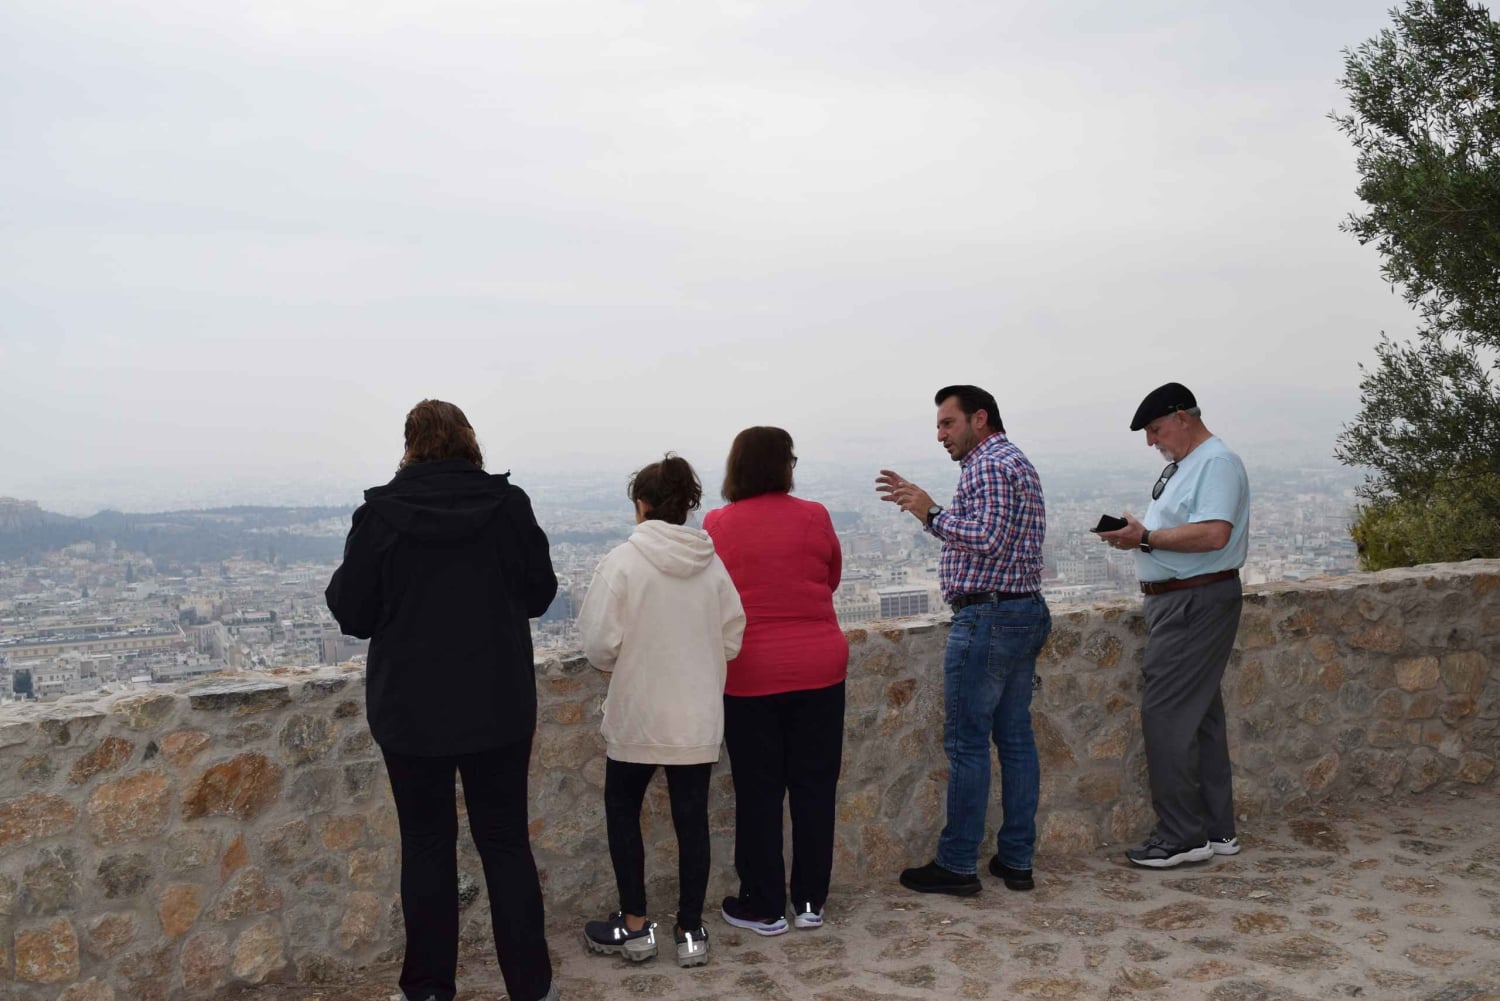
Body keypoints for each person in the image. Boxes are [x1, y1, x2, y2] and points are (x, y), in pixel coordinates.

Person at [325, 400, 558, 1001]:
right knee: (505, 843)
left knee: (427, 845)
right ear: (469, 441)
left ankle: (428, 989)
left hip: (411, 712)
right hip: (499, 705)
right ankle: (531, 988)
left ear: (409, 445)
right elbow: (540, 594)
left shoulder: (380, 517)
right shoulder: (509, 507)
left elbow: (352, 613)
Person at [876, 384, 1051, 896]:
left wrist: (930, 512)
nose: (940, 435)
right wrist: (927, 510)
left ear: (980, 418)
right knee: (1015, 740)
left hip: (989, 617)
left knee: (968, 744)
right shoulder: (1014, 461)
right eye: (938, 425)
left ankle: (957, 864)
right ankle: (1016, 859)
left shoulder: (987, 465)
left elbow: (988, 539)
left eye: (948, 423)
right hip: (1022, 609)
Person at [575, 454, 746, 968]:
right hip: (695, 717)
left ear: (642, 505)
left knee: (622, 811)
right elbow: (732, 639)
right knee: (691, 822)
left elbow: (599, 645)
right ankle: (690, 930)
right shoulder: (711, 564)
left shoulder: (623, 563)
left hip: (639, 713)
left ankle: (634, 926)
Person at [1096, 382, 1249, 869]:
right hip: (1186, 599)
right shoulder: (1189, 466)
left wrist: (1146, 538)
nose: (1151, 441)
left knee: (1164, 714)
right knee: (1200, 718)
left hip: (1192, 601)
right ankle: (1215, 829)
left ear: (1183, 417)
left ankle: (1181, 836)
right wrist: (1140, 538)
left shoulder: (1215, 462)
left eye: (1155, 429)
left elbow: (1214, 533)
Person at [704, 427, 849, 936]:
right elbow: (831, 577)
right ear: (786, 465)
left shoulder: (718, 523)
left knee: (758, 790)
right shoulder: (815, 515)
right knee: (815, 787)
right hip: (819, 667)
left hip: (750, 673)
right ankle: (809, 900)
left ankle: (763, 904)